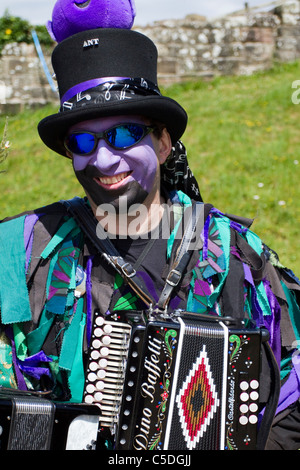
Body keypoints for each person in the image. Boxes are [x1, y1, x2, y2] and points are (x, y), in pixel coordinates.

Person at [0, 26, 299, 451]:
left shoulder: (236, 257)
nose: (103, 158)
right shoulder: (24, 252)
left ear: (163, 143)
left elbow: (292, 401)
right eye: (83, 141)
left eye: (126, 133)